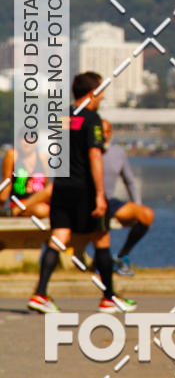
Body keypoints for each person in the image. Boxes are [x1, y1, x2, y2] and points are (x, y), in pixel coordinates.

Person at [28, 72, 136, 315]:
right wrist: (100, 194)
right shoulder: (92, 119)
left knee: (58, 237)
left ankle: (40, 293)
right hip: (84, 188)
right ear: (91, 93)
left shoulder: (62, 118)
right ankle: (108, 298)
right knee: (101, 238)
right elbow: (95, 155)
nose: (103, 96)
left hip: (61, 187)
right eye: (100, 91)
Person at [101, 119, 154, 275]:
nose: (104, 135)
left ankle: (122, 255)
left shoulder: (118, 153)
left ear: (111, 133)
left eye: (107, 131)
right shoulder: (85, 150)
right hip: (87, 201)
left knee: (146, 215)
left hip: (110, 201)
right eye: (101, 131)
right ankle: (100, 262)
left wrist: (137, 204)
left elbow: (130, 181)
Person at [1, 134, 52, 218]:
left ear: (36, 142)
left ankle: (15, 211)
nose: (27, 142)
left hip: (40, 202)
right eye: (24, 139)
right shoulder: (13, 155)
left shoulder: (43, 158)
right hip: (19, 201)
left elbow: (46, 186)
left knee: (52, 188)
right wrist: (1, 202)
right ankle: (16, 210)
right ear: (18, 140)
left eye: (31, 139)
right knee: (41, 210)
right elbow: (6, 184)